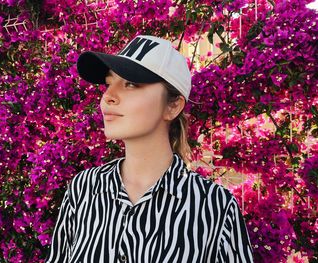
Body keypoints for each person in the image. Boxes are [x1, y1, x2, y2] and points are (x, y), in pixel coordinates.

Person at [46, 35, 253, 263]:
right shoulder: (84, 189)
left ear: (172, 106)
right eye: (108, 83)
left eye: (131, 84)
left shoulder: (215, 206)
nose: (108, 97)